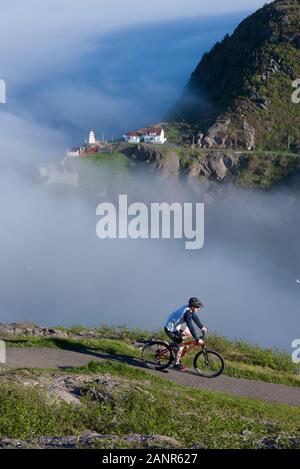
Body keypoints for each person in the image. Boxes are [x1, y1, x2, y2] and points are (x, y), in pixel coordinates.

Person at [164, 297, 208, 372]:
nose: (199, 308)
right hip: (170, 329)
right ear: (193, 306)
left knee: (189, 334)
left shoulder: (189, 308)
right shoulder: (187, 313)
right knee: (181, 345)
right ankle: (176, 364)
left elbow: (195, 317)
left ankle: (175, 344)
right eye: (198, 307)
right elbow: (191, 326)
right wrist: (197, 339)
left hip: (177, 326)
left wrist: (201, 327)